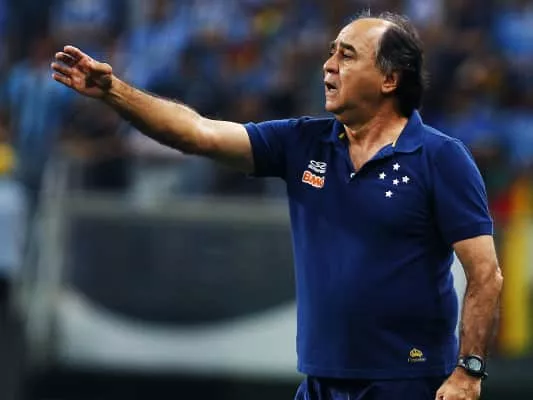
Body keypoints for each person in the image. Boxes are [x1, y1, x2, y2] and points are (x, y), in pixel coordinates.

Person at [51, 11, 503, 400]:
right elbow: (196, 133)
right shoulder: (302, 142)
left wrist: (469, 372)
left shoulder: (440, 158)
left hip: (408, 382)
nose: (328, 65)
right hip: (321, 382)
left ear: (390, 79)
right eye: (331, 52)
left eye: (347, 56)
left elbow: (485, 274)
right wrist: (114, 91)